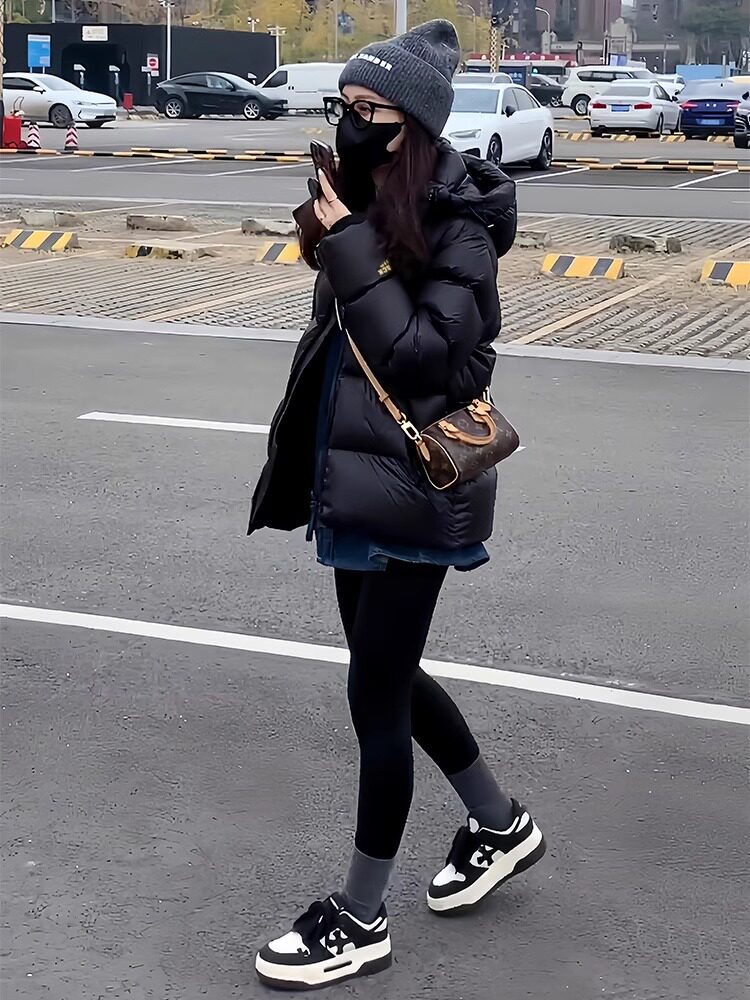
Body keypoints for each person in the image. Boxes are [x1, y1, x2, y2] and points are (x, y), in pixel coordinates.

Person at [247, 20, 546, 991]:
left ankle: (360, 915)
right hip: (353, 481)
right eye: (344, 105)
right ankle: (500, 823)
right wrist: (334, 227)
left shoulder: (461, 227)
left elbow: (423, 362)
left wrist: (348, 246)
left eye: (368, 110)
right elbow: (337, 342)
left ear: (412, 124)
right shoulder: (367, 199)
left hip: (420, 487)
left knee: (375, 695)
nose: (349, 122)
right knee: (389, 675)